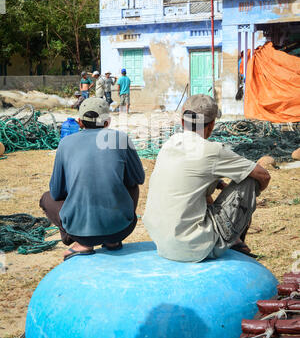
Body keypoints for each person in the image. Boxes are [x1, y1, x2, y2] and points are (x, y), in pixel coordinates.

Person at [143, 94, 271, 263]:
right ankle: (235, 240)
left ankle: (231, 237)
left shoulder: (169, 144)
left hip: (161, 241)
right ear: (211, 125)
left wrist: (218, 184)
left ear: (183, 122)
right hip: (193, 247)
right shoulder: (213, 150)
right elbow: (263, 175)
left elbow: (192, 177)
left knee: (200, 185)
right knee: (249, 179)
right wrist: (248, 199)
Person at [39, 97, 145, 261]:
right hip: (121, 229)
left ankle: (82, 243)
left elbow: (56, 192)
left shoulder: (65, 143)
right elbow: (138, 178)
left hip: (79, 230)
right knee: (132, 186)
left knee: (46, 198)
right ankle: (113, 241)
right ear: (107, 123)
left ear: (80, 122)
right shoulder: (122, 139)